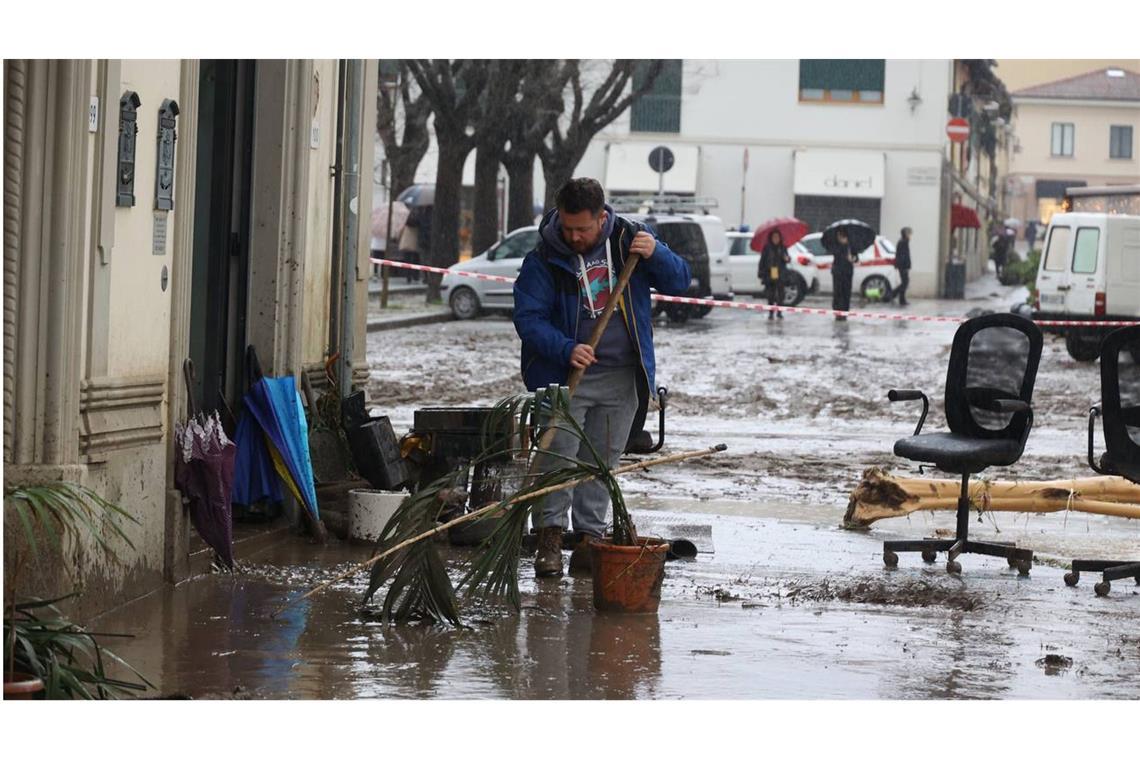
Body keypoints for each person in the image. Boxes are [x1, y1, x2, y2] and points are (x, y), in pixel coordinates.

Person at [512, 178, 691, 578]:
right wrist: (565, 348)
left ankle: (589, 541)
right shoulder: (543, 258)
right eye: (568, 228)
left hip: (622, 375)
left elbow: (680, 280)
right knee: (557, 459)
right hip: (563, 377)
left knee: (600, 463)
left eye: (583, 229)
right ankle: (550, 539)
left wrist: (656, 254)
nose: (574, 236)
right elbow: (528, 319)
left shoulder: (630, 242)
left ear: (602, 217)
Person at [758, 230, 791, 320]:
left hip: (781, 273)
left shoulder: (783, 247)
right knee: (771, 294)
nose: (776, 239)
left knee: (781, 294)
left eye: (777, 237)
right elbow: (762, 261)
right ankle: (771, 312)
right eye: (774, 237)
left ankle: (780, 312)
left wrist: (786, 258)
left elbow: (788, 258)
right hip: (770, 272)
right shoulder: (767, 248)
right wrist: (761, 273)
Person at [830, 229, 858, 321]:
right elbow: (836, 254)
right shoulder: (836, 245)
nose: (840, 238)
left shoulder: (851, 246)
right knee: (838, 292)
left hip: (848, 272)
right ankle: (838, 312)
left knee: (846, 292)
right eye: (838, 236)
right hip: (837, 272)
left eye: (841, 236)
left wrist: (853, 258)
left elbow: (856, 257)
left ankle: (845, 312)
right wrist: (843, 246)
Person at [894, 227, 912, 307]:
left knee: (905, 282)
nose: (910, 235)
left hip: (904, 266)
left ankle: (901, 298)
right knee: (905, 282)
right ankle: (895, 294)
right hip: (903, 266)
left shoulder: (905, 242)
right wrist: (904, 266)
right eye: (908, 233)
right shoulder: (902, 242)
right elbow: (902, 256)